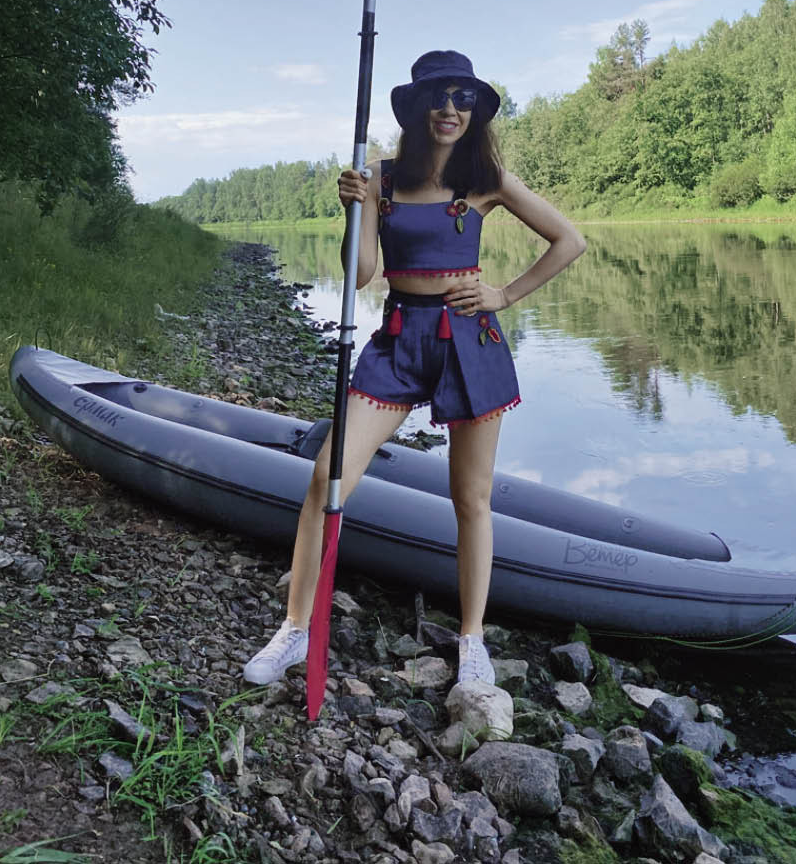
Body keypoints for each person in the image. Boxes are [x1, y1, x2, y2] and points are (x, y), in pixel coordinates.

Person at [243, 50, 586, 686]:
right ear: (418, 107)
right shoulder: (380, 178)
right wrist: (353, 212)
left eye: (463, 98)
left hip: (469, 341)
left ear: (474, 110)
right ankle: (294, 629)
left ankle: (472, 641)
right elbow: (361, 274)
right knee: (326, 478)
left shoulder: (485, 178)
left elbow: (570, 240)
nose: (450, 109)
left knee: (471, 499)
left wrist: (504, 295)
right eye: (439, 97)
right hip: (398, 341)